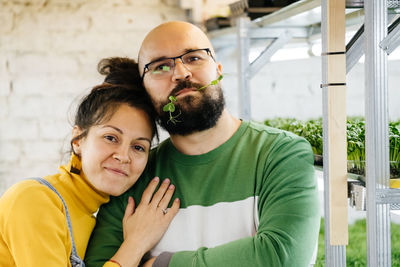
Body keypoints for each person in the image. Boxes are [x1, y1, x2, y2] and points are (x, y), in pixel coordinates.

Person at [85, 21, 320, 267]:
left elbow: (282, 257)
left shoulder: (281, 154)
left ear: (218, 70)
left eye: (194, 58)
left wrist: (156, 264)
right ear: (145, 88)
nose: (181, 73)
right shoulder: (133, 174)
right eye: (160, 66)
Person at [0, 59, 180, 267]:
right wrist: (136, 244)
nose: (124, 156)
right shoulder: (34, 200)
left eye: (138, 147)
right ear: (78, 140)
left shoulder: (94, 218)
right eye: (111, 138)